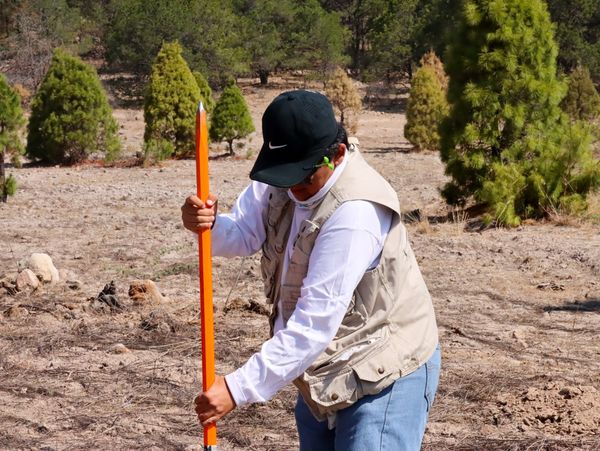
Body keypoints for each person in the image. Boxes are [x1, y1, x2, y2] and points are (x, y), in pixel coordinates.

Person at [181, 90, 440, 451]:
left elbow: (313, 324)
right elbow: (243, 233)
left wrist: (235, 388)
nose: (293, 191)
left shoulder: (355, 214)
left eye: (303, 181)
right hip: (323, 371)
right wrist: (208, 226)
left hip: (384, 371)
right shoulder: (285, 173)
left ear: (335, 155)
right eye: (285, 180)